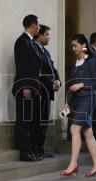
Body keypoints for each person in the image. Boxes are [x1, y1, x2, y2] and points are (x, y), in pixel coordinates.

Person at [60, 34, 96, 177]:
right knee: (88, 133)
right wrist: (68, 102)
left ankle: (73, 164)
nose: (73, 49)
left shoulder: (92, 60)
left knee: (74, 128)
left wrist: (82, 84)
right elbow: (72, 85)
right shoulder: (75, 63)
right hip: (77, 100)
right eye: (72, 46)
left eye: (75, 46)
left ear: (83, 45)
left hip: (89, 97)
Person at [12, 14, 42, 162]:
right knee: (24, 120)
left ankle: (29, 149)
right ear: (33, 25)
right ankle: (24, 151)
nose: (39, 27)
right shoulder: (22, 42)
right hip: (26, 88)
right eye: (38, 25)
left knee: (30, 120)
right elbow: (22, 66)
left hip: (33, 88)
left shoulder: (31, 42)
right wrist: (25, 87)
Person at [34, 25, 61, 158]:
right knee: (38, 122)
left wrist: (58, 81)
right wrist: (51, 84)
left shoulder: (45, 51)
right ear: (40, 36)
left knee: (44, 121)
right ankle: (36, 149)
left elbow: (53, 69)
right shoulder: (35, 50)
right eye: (47, 34)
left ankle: (40, 149)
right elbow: (38, 74)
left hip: (47, 92)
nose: (49, 37)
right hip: (40, 92)